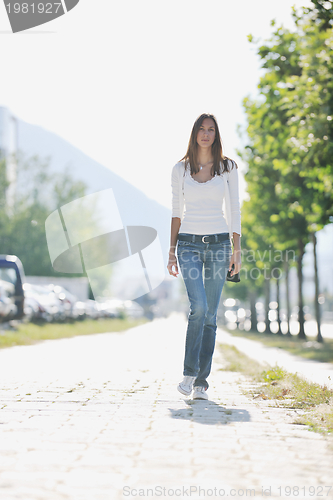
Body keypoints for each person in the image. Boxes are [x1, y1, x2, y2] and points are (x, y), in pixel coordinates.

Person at [167, 113, 242, 400]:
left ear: (216, 134)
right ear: (194, 133)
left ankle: (201, 383)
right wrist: (171, 252)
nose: (206, 134)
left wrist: (237, 249)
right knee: (198, 306)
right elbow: (176, 212)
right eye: (202, 129)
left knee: (210, 315)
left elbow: (234, 209)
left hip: (220, 245)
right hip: (187, 245)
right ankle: (189, 372)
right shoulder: (180, 169)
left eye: (211, 129)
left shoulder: (228, 168)